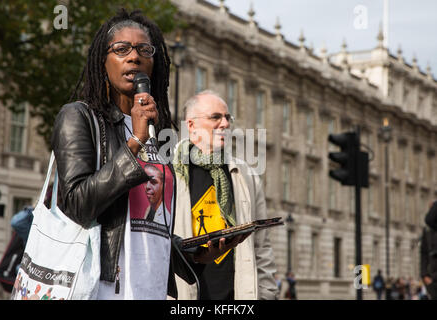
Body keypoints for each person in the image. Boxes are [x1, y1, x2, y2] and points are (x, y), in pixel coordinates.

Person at [51, 9, 237, 300]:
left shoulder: (159, 132)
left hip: (152, 290)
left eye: (144, 50)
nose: (134, 56)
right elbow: (76, 205)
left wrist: (193, 252)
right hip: (101, 290)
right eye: (121, 49)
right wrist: (134, 142)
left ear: (155, 65)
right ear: (104, 61)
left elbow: (149, 229)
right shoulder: (79, 117)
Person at [172, 90, 279, 300]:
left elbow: (262, 246)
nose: (225, 124)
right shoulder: (168, 173)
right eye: (215, 117)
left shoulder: (246, 175)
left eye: (227, 117)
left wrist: (266, 295)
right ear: (191, 125)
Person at [420, 200, 437, 300]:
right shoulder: (428, 230)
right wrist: (424, 275)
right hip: (434, 278)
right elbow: (423, 252)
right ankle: (361, 286)